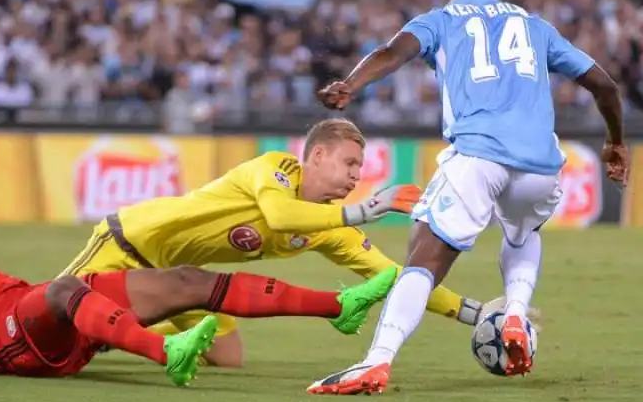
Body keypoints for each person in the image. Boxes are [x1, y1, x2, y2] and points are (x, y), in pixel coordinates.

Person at [309, 0, 629, 395]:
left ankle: (375, 362)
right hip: (540, 163)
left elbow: (391, 53)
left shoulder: (440, 19)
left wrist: (350, 85)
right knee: (522, 233)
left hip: (478, 154)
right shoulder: (536, 27)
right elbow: (605, 86)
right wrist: (615, 142)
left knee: (425, 254)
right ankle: (515, 312)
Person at [0, 164, 398, 382]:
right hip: (3, 341)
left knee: (184, 280)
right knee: (66, 288)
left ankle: (338, 308)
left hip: (26, 307)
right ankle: (168, 354)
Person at [61, 117, 520, 368]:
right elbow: (280, 217)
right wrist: (366, 210)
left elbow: (393, 276)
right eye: (350, 163)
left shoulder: (329, 226)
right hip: (130, 244)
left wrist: (473, 311)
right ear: (316, 155)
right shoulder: (276, 169)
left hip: (188, 281)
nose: (357, 176)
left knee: (228, 357)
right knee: (52, 321)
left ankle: (127, 329)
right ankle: (123, 326)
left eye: (361, 168)